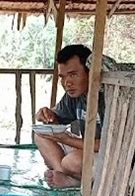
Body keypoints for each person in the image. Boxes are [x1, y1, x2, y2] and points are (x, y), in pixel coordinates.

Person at [34, 45, 104, 188]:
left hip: (110, 156)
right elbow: (57, 118)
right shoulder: (74, 95)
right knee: (41, 134)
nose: (67, 83)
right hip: (86, 149)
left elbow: (107, 145)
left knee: (72, 162)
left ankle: (74, 180)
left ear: (90, 72)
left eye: (73, 74)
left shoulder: (108, 97)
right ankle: (66, 176)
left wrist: (67, 140)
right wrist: (47, 115)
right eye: (63, 77)